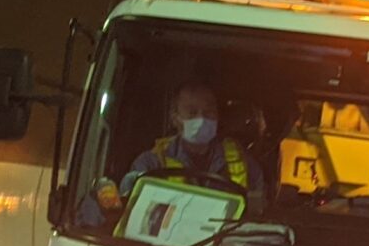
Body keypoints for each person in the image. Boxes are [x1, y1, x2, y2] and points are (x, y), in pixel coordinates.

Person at [95, 82, 266, 224]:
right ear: (175, 118)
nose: (202, 118)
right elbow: (131, 205)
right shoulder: (152, 163)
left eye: (208, 112)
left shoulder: (244, 164)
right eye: (192, 113)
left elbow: (258, 214)